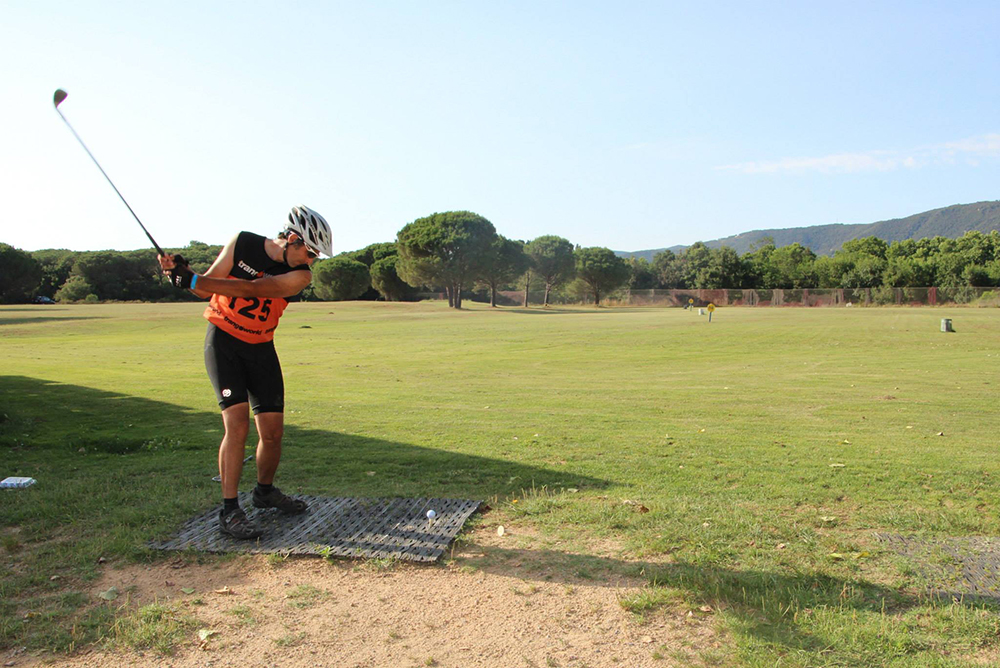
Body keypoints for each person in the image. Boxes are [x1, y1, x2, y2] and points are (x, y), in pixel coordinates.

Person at [158, 205, 333, 539]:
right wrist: (182, 273)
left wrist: (193, 278)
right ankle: (230, 510)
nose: (312, 260)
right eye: (310, 251)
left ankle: (264, 492)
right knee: (236, 425)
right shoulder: (242, 243)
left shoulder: (301, 276)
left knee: (273, 433)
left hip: (261, 349)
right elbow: (205, 290)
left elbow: (253, 289)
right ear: (292, 238)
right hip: (224, 343)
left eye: (316, 256)